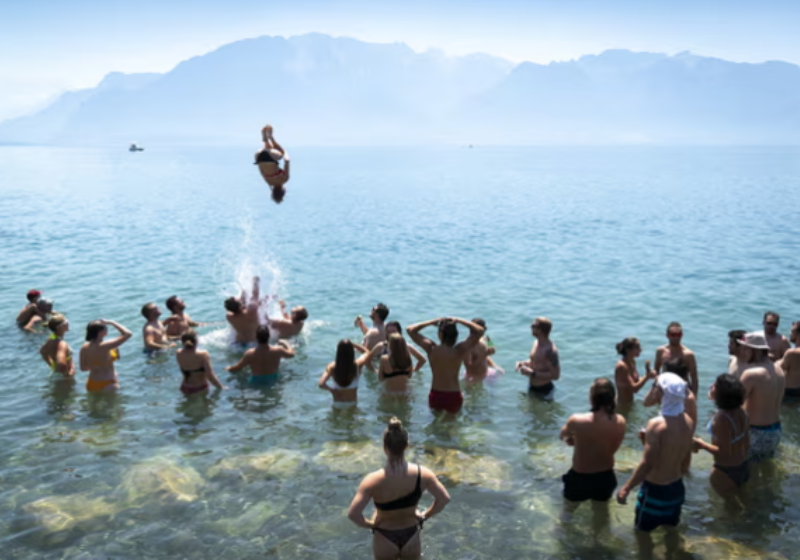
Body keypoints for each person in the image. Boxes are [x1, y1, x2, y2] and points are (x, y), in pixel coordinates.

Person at [348, 417, 450, 560]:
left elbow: (353, 514)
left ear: (385, 447)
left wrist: (371, 524)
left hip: (385, 535)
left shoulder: (372, 480)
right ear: (407, 445)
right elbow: (444, 499)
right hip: (411, 535)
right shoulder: (423, 474)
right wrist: (425, 515)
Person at [616, 373, 694, 534]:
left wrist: (626, 488)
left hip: (656, 491)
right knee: (671, 532)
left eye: (655, 386)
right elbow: (677, 453)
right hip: (677, 488)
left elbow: (648, 462)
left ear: (663, 393)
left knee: (642, 534)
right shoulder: (688, 420)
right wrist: (646, 442)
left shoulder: (656, 425)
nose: (653, 389)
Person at [560, 378, 626, 511]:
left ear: (592, 397)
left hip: (580, 478)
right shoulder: (620, 421)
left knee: (568, 514)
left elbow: (563, 436)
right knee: (601, 516)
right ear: (613, 397)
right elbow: (613, 447)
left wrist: (574, 439)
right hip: (605, 477)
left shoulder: (577, 420)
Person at [407, 317, 484, 413]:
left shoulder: (431, 348)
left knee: (436, 425)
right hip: (454, 395)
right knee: (453, 426)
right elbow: (480, 331)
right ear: (456, 336)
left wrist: (431, 321)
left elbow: (410, 330)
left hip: (436, 394)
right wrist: (459, 320)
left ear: (440, 335)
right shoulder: (459, 350)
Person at [692, 374, 750, 495]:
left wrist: (701, 444)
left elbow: (723, 452)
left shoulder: (722, 418)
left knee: (724, 511)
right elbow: (746, 442)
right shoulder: (742, 412)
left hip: (725, 471)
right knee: (742, 505)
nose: (710, 386)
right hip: (743, 466)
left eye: (714, 386)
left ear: (722, 395)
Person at [739, 332, 785, 462]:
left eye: (746, 348)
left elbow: (735, 406)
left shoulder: (751, 374)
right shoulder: (779, 370)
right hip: (775, 431)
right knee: (764, 468)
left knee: (746, 471)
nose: (743, 352)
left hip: (756, 432)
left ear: (756, 351)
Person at [227, 324, 296, 384]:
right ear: (269, 336)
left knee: (243, 375)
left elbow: (238, 368)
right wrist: (285, 343)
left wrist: (228, 368)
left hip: (256, 381)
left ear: (256, 337)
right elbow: (292, 354)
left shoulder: (250, 353)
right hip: (274, 380)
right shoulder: (278, 350)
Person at [644, 357, 698, 432]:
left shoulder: (688, 397)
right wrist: (655, 384)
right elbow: (647, 403)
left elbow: (691, 426)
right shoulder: (664, 390)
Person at [79, 319, 132, 393]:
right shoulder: (105, 346)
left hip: (92, 383)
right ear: (101, 332)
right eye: (105, 327)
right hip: (108, 383)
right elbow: (128, 334)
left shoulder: (84, 347)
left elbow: (83, 368)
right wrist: (112, 322)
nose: (107, 328)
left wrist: (97, 365)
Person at [515, 317, 560, 399]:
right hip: (531, 386)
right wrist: (524, 363)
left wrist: (532, 373)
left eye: (533, 326)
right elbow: (537, 361)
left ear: (540, 330)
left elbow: (555, 375)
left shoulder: (550, 351)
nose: (530, 327)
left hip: (544, 390)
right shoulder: (536, 343)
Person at [318, 339, 372, 405]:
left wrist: (332, 391)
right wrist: (354, 345)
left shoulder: (332, 367)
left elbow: (321, 384)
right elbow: (367, 353)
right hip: (352, 404)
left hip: (337, 404)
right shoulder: (357, 365)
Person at [654, 322, 698, 395]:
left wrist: (693, 398)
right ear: (667, 335)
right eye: (673, 335)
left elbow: (694, 379)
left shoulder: (689, 355)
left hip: (683, 392)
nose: (676, 337)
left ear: (682, 335)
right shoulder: (660, 351)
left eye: (678, 334)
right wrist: (658, 387)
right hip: (665, 391)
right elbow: (656, 370)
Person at [175, 330, 225, 394]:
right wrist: (221, 387)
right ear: (196, 340)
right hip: (199, 388)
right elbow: (210, 375)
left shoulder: (178, 352)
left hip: (184, 387)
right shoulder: (203, 354)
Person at [254, 125, 291, 204]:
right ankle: (266, 140)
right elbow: (261, 169)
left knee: (280, 152)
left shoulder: (284, 179)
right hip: (258, 156)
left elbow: (287, 160)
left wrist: (285, 152)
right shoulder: (268, 182)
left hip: (269, 157)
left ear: (283, 191)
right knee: (269, 152)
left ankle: (270, 138)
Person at [614, 338, 655, 405]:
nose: (640, 350)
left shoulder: (632, 362)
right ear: (628, 350)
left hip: (629, 402)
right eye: (637, 347)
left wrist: (648, 375)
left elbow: (636, 381)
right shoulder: (622, 366)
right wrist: (647, 376)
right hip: (621, 405)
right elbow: (634, 389)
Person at [225, 276, 262, 345]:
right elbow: (255, 294)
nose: (239, 299)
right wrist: (255, 282)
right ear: (240, 306)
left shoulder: (229, 316)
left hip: (238, 343)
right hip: (253, 343)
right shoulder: (251, 311)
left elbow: (238, 306)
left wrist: (243, 291)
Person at [779, 322, 800, 399]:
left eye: (792, 331)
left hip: (787, 392)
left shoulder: (792, 352)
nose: (789, 333)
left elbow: (779, 369)